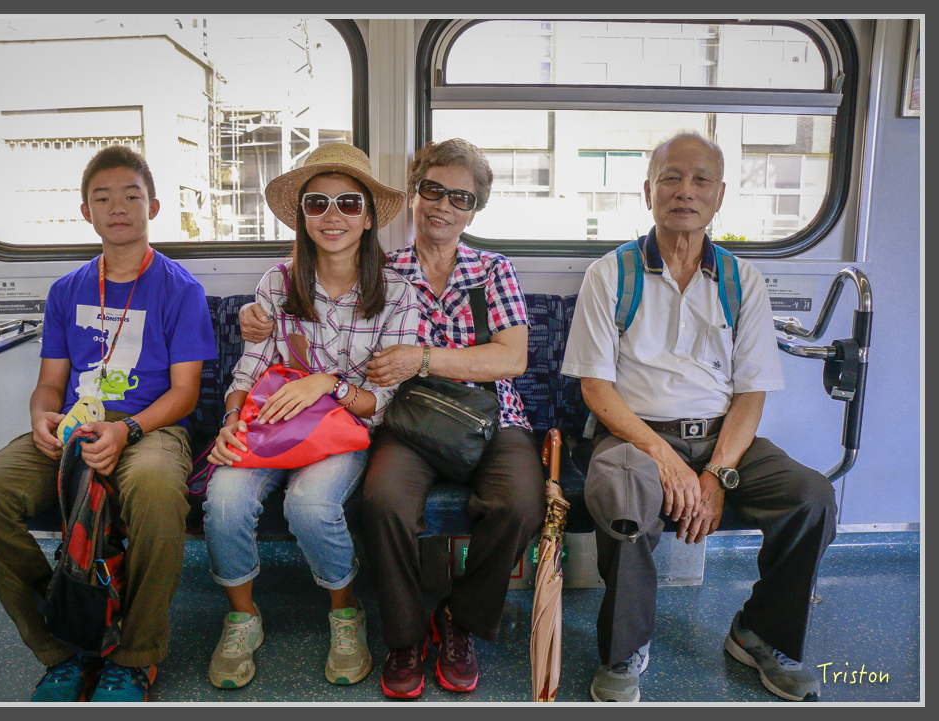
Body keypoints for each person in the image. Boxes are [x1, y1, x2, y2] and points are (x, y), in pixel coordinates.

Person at [240, 138, 546, 699]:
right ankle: (404, 637)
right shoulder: (382, 268)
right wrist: (254, 314)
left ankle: (458, 619)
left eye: (462, 197)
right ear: (412, 194)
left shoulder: (492, 270)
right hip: (404, 419)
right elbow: (301, 287)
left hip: (492, 415)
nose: (444, 206)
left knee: (521, 504)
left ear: (476, 209)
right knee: (383, 501)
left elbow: (512, 357)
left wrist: (423, 358)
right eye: (433, 190)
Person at [561, 133, 837, 702]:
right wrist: (667, 461)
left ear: (719, 196)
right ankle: (623, 652)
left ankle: (759, 633)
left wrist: (715, 474)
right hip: (632, 433)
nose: (685, 191)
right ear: (648, 192)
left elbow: (751, 395)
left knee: (811, 497)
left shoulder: (743, 282)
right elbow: (596, 387)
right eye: (671, 177)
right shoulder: (611, 275)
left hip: (722, 436)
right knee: (624, 496)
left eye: (700, 180)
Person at [0, 145, 218, 702]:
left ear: (154, 207)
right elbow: (51, 382)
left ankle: (135, 655)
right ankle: (65, 641)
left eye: (131, 196)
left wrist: (129, 431)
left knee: (154, 490)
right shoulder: (66, 290)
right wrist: (41, 417)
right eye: (103, 198)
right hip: (76, 424)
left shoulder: (180, 289)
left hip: (149, 427)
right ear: (85, 212)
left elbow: (185, 393)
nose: (117, 207)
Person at [203, 143, 419, 690]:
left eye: (349, 203)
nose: (333, 216)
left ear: (369, 217)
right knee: (224, 500)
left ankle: (344, 613)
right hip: (272, 423)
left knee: (310, 504)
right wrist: (231, 420)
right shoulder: (278, 283)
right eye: (317, 203)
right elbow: (250, 370)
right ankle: (242, 618)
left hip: (344, 429)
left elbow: (379, 402)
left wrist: (330, 383)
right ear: (301, 216)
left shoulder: (396, 294)